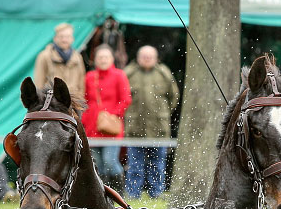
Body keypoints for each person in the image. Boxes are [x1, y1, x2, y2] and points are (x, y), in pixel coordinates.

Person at [123, 46, 178, 199]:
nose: (147, 59)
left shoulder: (164, 73)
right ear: (138, 57)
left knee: (158, 164)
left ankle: (156, 193)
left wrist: (163, 114)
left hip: (159, 128)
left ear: (156, 58)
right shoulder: (128, 73)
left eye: (150, 56)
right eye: (144, 56)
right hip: (135, 128)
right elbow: (122, 97)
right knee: (135, 165)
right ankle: (133, 194)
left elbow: (173, 97)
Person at [83, 45, 131, 192]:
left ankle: (120, 194)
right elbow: (85, 100)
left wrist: (113, 115)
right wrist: (84, 119)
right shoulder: (89, 76)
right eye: (100, 57)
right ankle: (103, 195)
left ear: (112, 59)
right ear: (95, 60)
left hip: (111, 127)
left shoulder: (119, 75)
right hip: (92, 127)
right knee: (98, 164)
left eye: (106, 57)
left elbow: (126, 99)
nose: (103, 60)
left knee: (110, 162)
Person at [33, 23, 86, 98]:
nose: (64, 40)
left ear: (72, 39)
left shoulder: (78, 58)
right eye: (61, 37)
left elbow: (81, 84)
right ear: (55, 38)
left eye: (67, 37)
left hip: (72, 102)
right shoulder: (44, 56)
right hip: (51, 102)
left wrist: (79, 101)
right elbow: (39, 82)